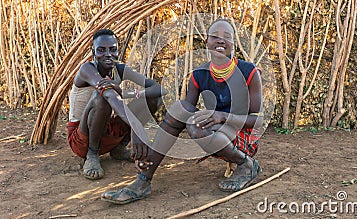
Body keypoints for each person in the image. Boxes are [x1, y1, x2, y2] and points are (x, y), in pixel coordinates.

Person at [101, 18, 264, 204]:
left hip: (242, 136)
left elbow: (257, 121)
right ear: (207, 43)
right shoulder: (199, 74)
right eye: (215, 37)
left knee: (196, 128)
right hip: (216, 135)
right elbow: (182, 115)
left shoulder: (249, 72)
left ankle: (246, 164)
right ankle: (143, 179)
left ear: (234, 44)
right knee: (183, 110)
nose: (221, 40)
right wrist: (143, 138)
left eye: (227, 37)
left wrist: (222, 116)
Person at [67, 28, 166, 180]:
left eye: (112, 50)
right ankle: (92, 154)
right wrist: (136, 126)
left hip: (108, 132)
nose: (108, 54)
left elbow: (160, 89)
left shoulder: (119, 69)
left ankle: (119, 148)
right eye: (101, 50)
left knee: (153, 99)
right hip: (82, 139)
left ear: (118, 51)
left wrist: (126, 93)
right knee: (101, 96)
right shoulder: (87, 69)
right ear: (92, 51)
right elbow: (108, 95)